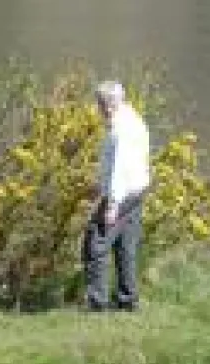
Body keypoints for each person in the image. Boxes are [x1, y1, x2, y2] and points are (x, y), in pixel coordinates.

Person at [83, 80, 152, 312]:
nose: (98, 110)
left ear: (108, 105)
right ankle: (128, 300)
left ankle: (97, 303)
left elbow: (120, 169)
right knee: (125, 246)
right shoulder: (135, 120)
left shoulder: (120, 130)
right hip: (137, 191)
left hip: (122, 195)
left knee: (96, 244)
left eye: (99, 105)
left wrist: (111, 204)